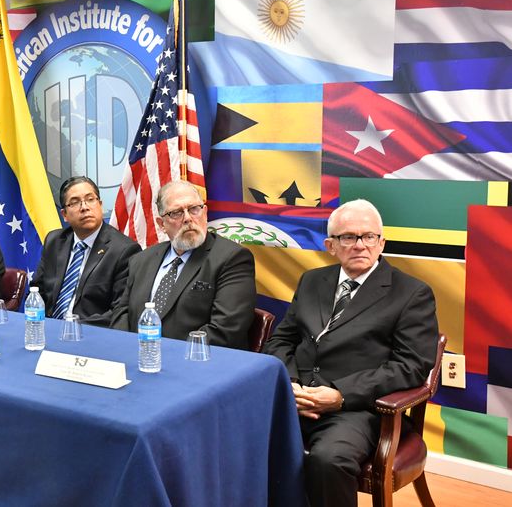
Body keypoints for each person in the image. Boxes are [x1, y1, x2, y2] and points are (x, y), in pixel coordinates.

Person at [264, 199, 439, 507]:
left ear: (381, 242)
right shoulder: (311, 280)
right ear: (330, 245)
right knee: (236, 436)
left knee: (328, 460)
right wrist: (290, 385)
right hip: (296, 398)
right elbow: (281, 340)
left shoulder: (412, 293)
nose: (360, 245)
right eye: (348, 237)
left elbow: (411, 366)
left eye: (368, 236)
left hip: (358, 409)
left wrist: (340, 394)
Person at [111, 180, 256, 348]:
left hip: (195, 358)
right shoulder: (142, 259)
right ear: (161, 224)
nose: (188, 218)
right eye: (176, 213)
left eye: (194, 209)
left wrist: (163, 353)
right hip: (138, 355)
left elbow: (225, 329)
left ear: (205, 213)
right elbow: (122, 313)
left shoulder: (232, 258)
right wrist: (126, 348)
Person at [32, 176, 141, 325]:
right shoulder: (55, 241)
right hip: (48, 327)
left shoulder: (124, 250)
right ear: (64, 215)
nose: (84, 207)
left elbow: (119, 311)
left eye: (90, 199)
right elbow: (36, 291)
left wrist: (72, 328)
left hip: (89, 332)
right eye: (75, 202)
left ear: (100, 205)